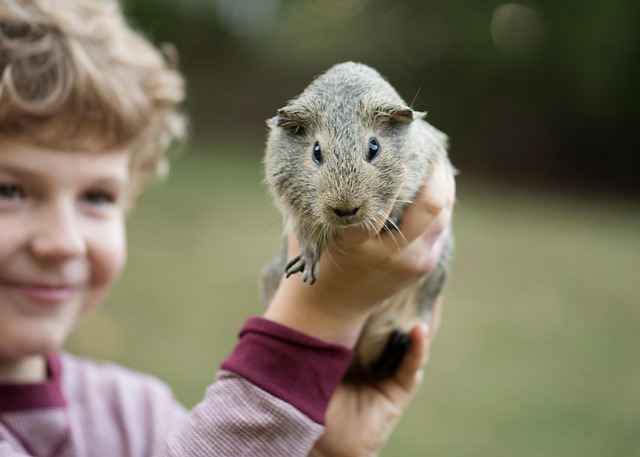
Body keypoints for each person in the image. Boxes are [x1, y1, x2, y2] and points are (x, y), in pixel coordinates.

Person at [0, 0, 456, 456]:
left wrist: (316, 446)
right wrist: (309, 334)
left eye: (96, 197)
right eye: (9, 191)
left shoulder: (137, 413)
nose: (61, 243)